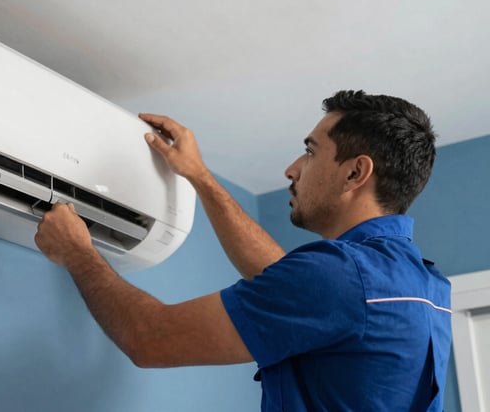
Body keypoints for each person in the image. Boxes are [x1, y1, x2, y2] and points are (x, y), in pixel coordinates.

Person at [34, 90, 452, 411]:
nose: (292, 169)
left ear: (355, 172)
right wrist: (199, 176)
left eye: (311, 151)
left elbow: (150, 338)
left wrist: (76, 253)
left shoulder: (342, 277)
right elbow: (286, 283)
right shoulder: (424, 285)